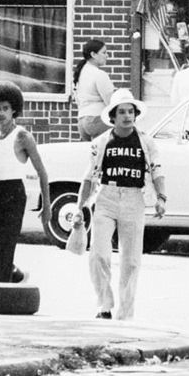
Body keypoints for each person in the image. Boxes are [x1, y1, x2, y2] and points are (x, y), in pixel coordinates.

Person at [72, 89, 166, 321]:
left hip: (134, 197)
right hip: (106, 197)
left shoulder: (146, 141)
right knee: (99, 254)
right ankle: (104, 305)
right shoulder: (101, 142)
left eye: (130, 111)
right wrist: (79, 205)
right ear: (113, 116)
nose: (127, 116)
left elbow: (157, 170)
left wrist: (162, 198)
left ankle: (125, 313)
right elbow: (89, 175)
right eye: (121, 112)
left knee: (131, 260)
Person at [0, 81, 50, 283]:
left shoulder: (23, 136)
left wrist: (47, 206)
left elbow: (42, 171)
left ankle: (0, 300)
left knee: (4, 252)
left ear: (14, 109)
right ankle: (16, 277)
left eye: (5, 108)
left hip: (13, 194)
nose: (0, 113)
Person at [73, 39, 115, 141]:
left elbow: (77, 99)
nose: (107, 56)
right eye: (104, 52)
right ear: (93, 54)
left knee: (92, 155)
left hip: (82, 122)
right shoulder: (99, 74)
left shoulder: (80, 73)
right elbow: (111, 103)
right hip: (98, 119)